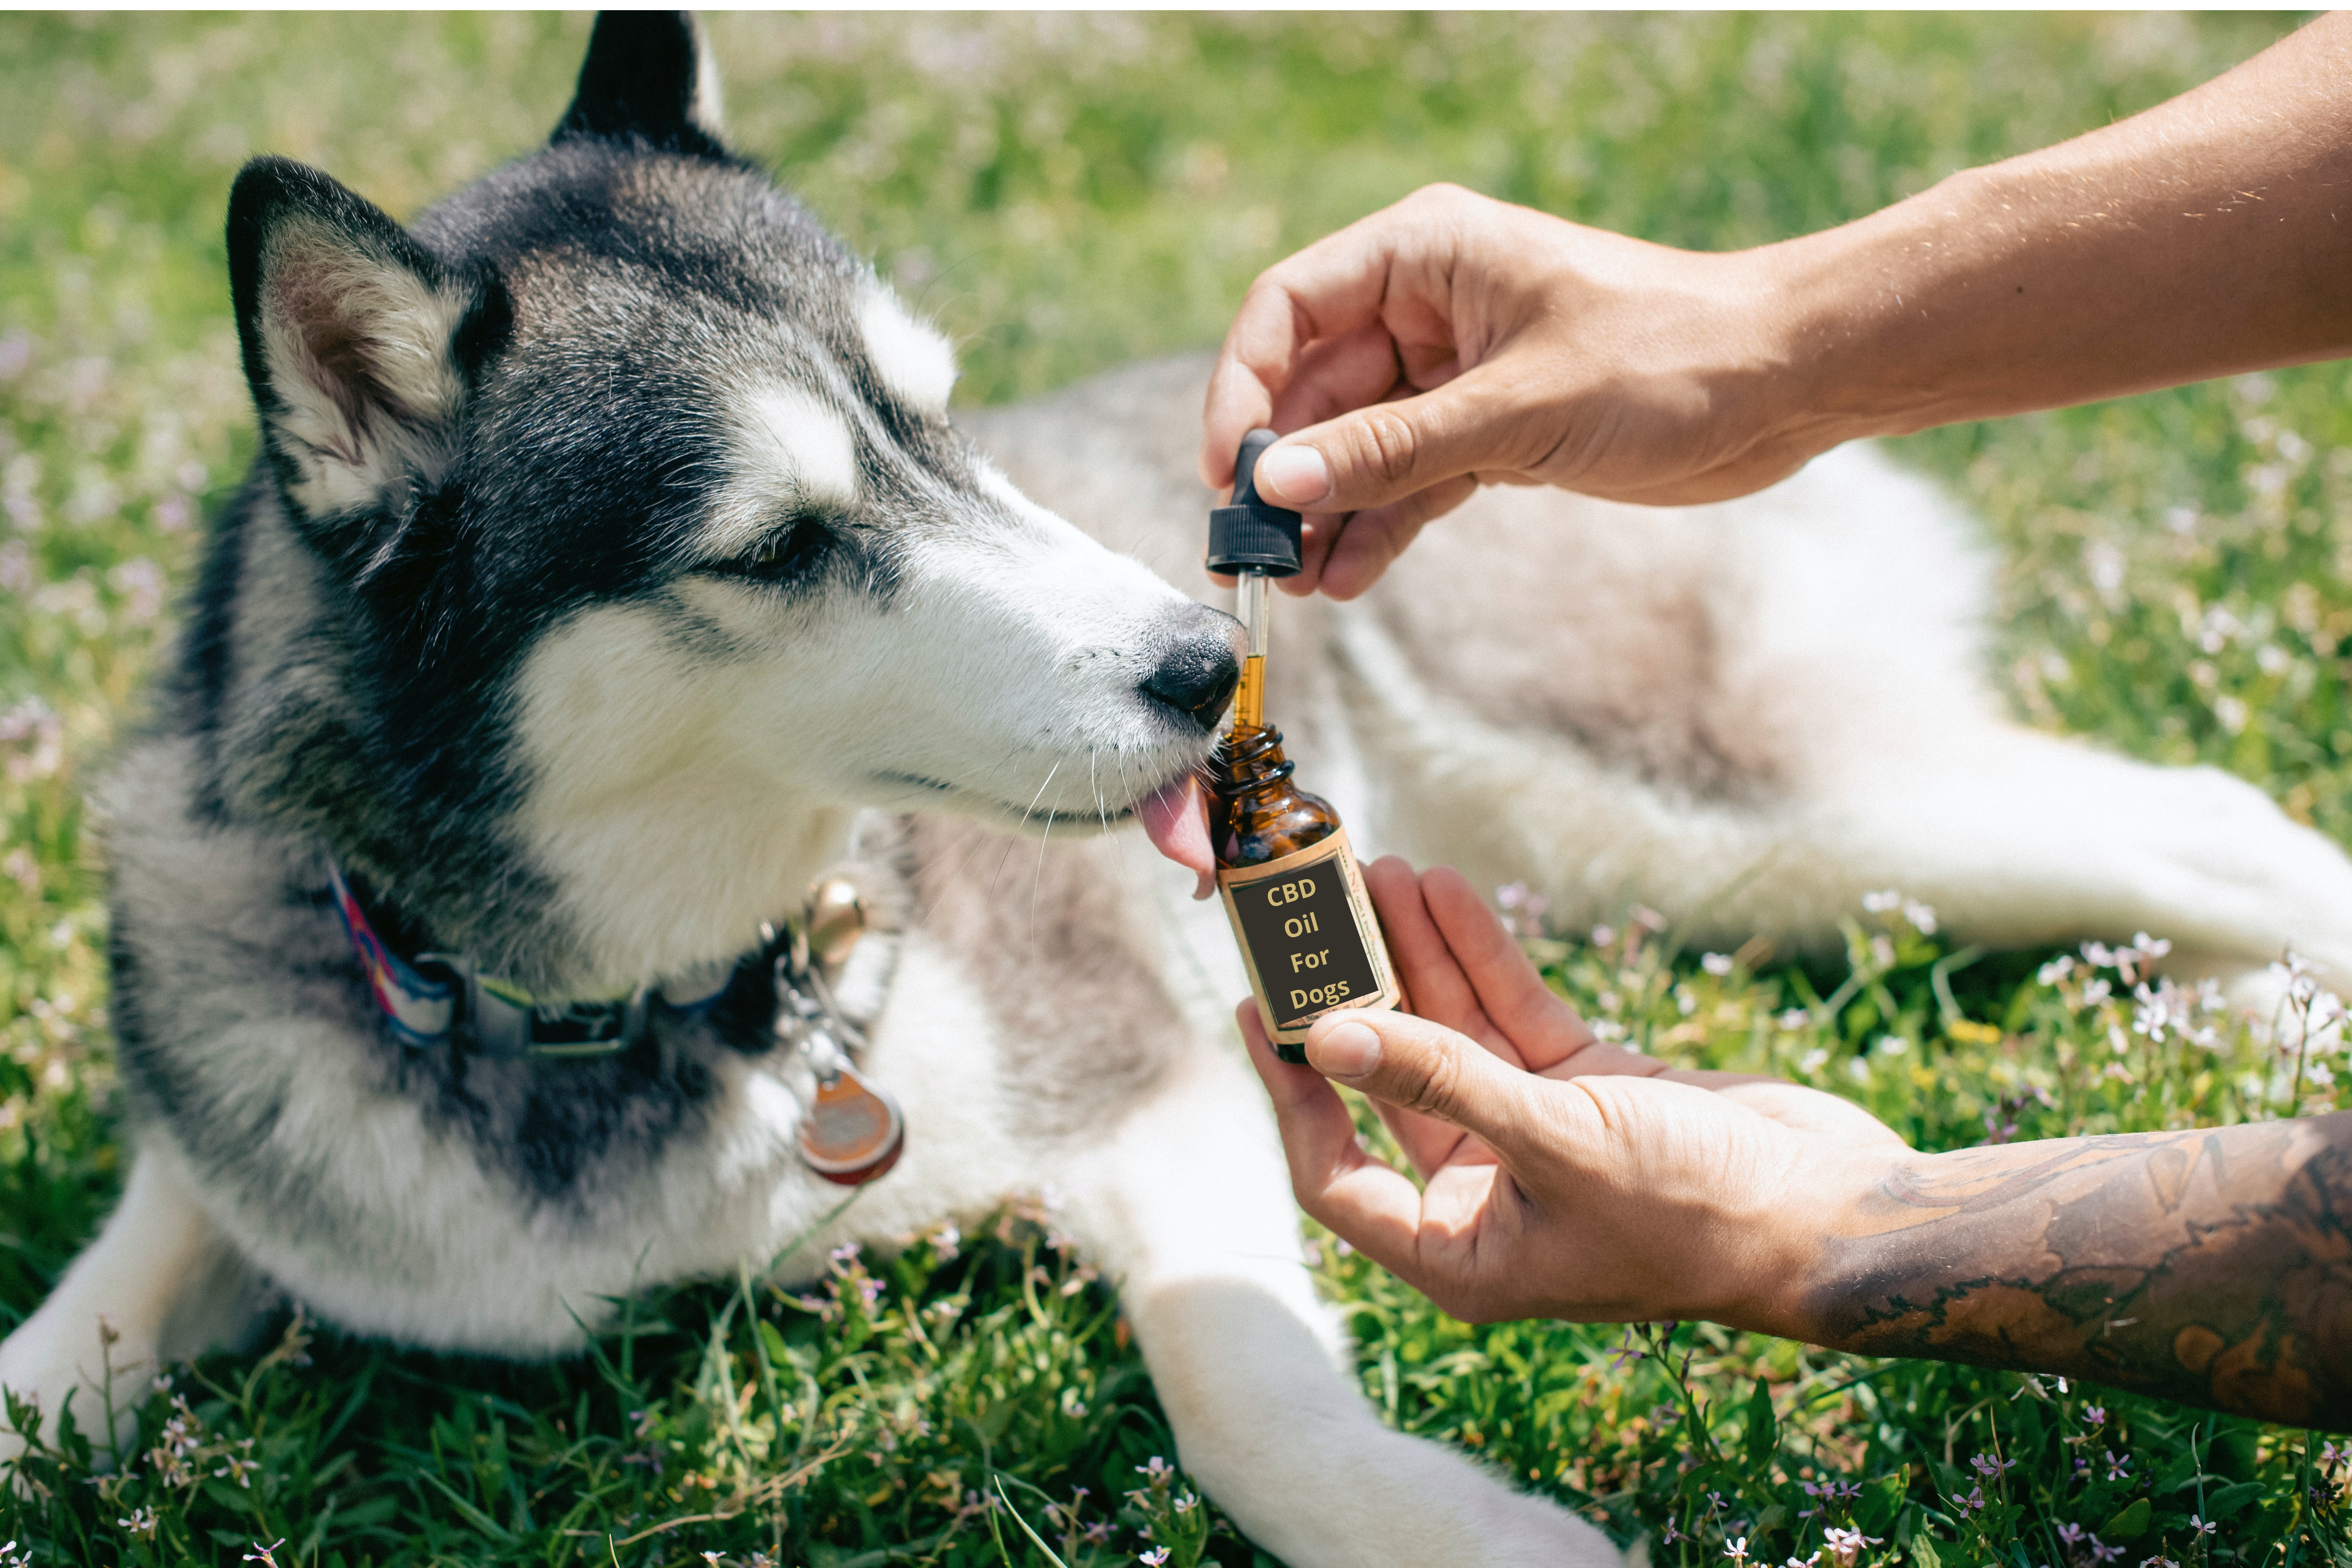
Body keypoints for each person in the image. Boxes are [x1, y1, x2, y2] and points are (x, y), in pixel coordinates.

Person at [1207, 13, 2352, 1430]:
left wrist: (1838, 1234)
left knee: (1805, 827)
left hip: (1569, 613)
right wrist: (1762, 337)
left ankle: (2239, 886)